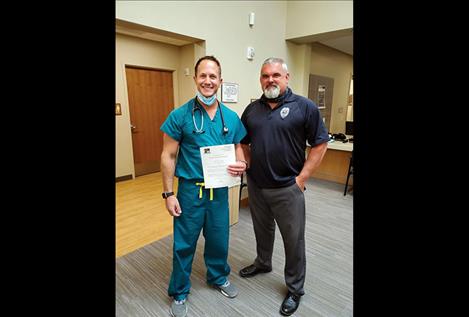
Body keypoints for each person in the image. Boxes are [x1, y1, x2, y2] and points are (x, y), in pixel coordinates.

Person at [239, 57, 328, 316]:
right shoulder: (252, 109)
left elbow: (320, 144)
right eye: (266, 75)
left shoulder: (305, 107)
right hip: (257, 185)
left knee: (293, 240)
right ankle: (263, 263)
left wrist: (302, 179)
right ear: (260, 79)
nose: (271, 80)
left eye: (276, 75)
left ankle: (295, 288)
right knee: (262, 230)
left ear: (286, 78)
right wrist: (246, 164)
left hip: (288, 188)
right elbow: (243, 143)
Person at [160, 55, 248, 317]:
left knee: (219, 240)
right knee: (184, 244)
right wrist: (168, 194)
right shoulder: (180, 115)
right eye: (203, 76)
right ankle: (179, 292)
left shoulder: (230, 117)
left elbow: (238, 147)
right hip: (190, 191)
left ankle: (218, 277)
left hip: (219, 192)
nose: (208, 81)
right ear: (195, 79)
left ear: (220, 80)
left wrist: (241, 163)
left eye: (213, 76)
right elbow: (168, 155)